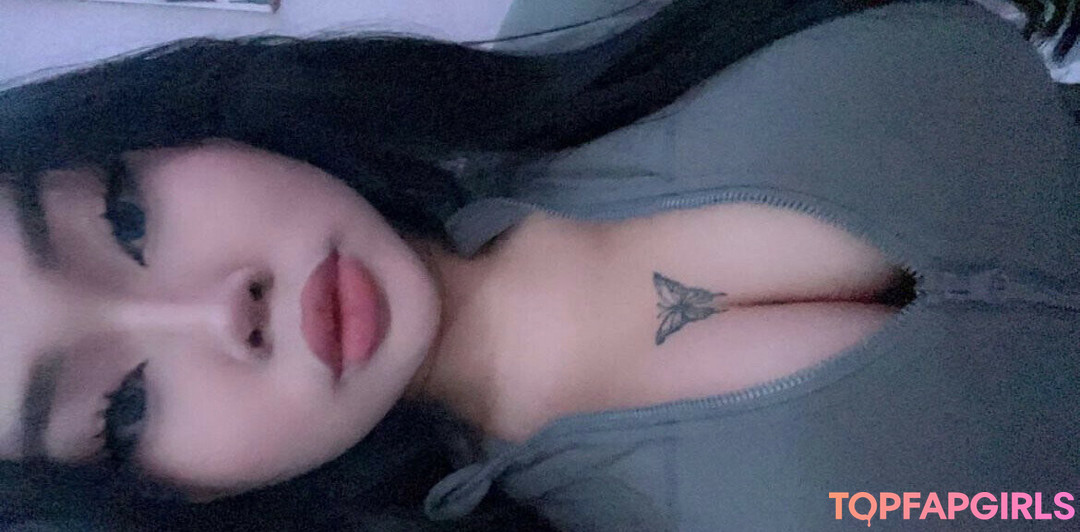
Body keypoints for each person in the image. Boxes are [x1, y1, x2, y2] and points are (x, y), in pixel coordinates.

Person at [2, 0, 1078, 530]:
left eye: (124, 217)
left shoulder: (584, 16)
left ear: (157, 126)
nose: (216, 314)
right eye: (122, 409)